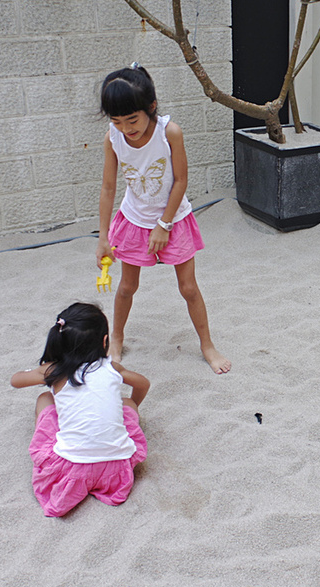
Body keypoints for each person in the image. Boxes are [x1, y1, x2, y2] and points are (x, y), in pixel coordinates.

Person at [97, 64, 231, 374]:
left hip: (173, 217)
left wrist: (164, 224)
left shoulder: (169, 132)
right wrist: (103, 237)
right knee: (127, 287)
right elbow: (107, 187)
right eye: (116, 121)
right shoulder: (113, 139)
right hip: (133, 219)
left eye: (132, 119)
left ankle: (207, 345)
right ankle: (116, 339)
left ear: (151, 107)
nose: (126, 128)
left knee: (188, 288)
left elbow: (181, 181)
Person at [10, 302, 150, 518]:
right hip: (116, 470)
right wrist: (128, 407)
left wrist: (43, 369)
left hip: (70, 469)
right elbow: (143, 384)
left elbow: (16, 381)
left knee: (45, 398)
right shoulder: (112, 367)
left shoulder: (55, 370)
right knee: (127, 404)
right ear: (105, 341)